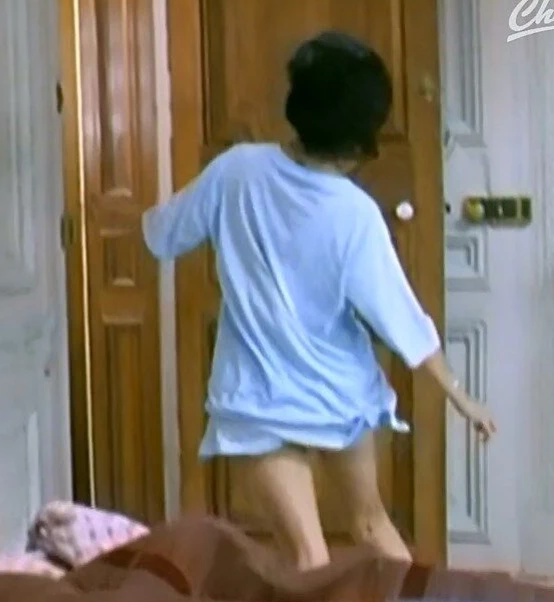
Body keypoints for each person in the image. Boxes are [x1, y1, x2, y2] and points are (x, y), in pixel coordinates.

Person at [140, 31, 496, 569]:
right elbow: (402, 319)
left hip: (260, 400)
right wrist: (461, 397)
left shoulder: (235, 171)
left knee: (309, 558)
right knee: (372, 525)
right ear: (361, 138)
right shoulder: (355, 214)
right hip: (339, 396)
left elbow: (161, 234)